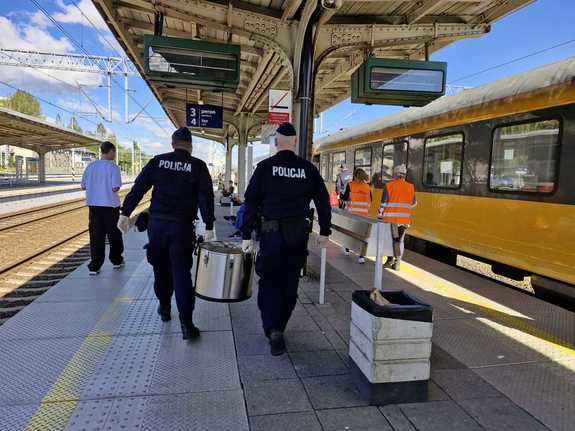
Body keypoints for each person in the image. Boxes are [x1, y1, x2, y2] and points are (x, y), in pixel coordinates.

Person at [241, 122, 331, 356]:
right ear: (295, 143)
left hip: (271, 235)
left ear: (276, 142)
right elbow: (323, 200)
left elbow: (251, 201)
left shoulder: (265, 167)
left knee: (269, 281)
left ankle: (272, 328)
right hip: (296, 236)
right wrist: (325, 232)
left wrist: (245, 234)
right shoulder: (307, 169)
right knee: (289, 283)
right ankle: (280, 326)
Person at [117, 127, 215, 340]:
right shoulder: (197, 166)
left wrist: (125, 213)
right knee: (181, 274)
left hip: (158, 226)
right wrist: (208, 225)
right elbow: (205, 197)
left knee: (161, 270)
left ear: (173, 143)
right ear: (190, 145)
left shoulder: (158, 161)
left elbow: (139, 188)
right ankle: (187, 324)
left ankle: (164, 307)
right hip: (181, 228)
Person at [81, 141, 124, 276]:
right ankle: (116, 261)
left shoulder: (90, 166)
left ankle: (95, 266)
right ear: (111, 151)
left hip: (93, 207)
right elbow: (115, 187)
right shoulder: (113, 167)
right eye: (114, 152)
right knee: (114, 235)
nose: (114, 155)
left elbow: (83, 186)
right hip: (110, 206)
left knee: (96, 237)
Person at [378, 165, 416, 271]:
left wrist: (380, 216)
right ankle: (397, 262)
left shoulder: (389, 185)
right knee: (400, 241)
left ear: (395, 174)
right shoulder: (410, 187)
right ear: (404, 175)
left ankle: (389, 260)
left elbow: (383, 203)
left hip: (391, 220)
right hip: (404, 220)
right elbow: (413, 203)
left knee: (391, 240)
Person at [341, 168, 372, 264]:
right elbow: (371, 200)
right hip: (364, 214)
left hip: (352, 213)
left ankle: (347, 248)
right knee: (362, 236)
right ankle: (361, 257)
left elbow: (345, 198)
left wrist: (341, 197)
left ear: (355, 176)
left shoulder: (351, 185)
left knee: (350, 232)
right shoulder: (367, 187)